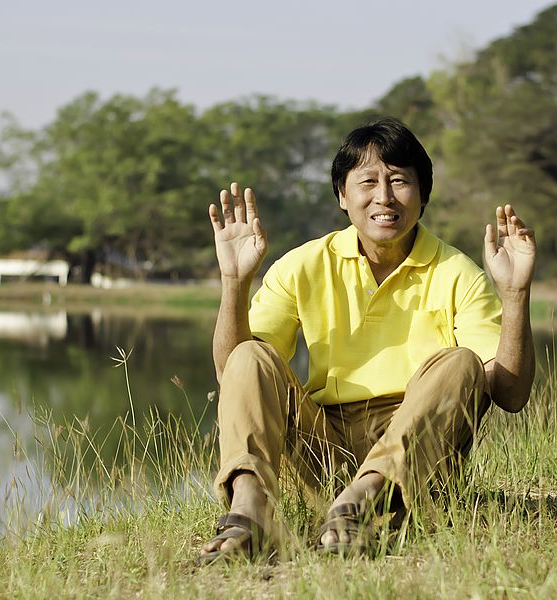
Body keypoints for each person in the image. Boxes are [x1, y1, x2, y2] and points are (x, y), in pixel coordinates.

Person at [199, 118, 535, 563]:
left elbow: (510, 394)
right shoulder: (303, 264)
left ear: (423, 195)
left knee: (462, 363)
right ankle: (252, 513)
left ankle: (362, 500)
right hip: (323, 450)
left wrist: (515, 296)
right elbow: (234, 372)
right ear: (343, 196)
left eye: (399, 181)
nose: (384, 197)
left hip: (413, 456)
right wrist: (234, 283)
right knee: (251, 353)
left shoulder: (458, 274)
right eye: (368, 182)